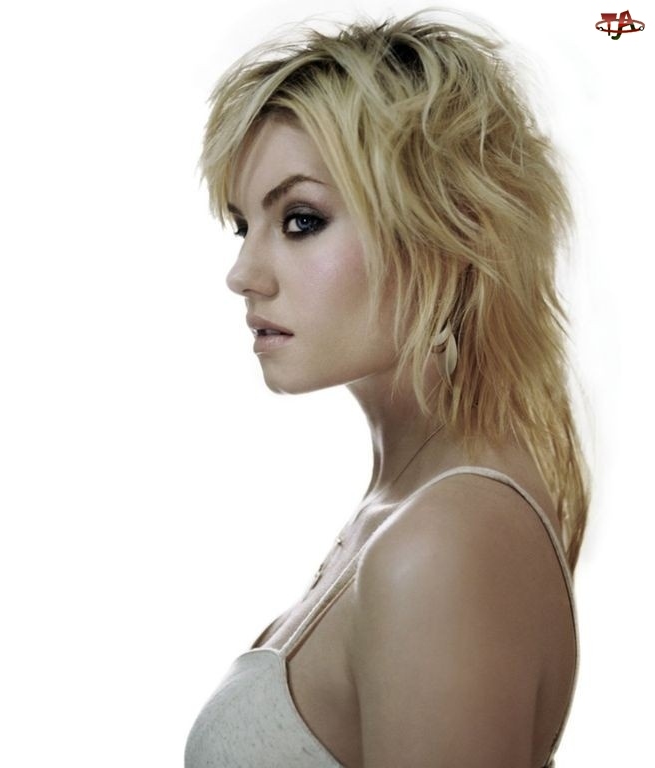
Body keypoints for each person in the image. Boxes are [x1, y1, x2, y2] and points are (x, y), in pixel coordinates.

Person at [185, 12, 587, 768]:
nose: (243, 274)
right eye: (243, 225)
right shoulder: (409, 503)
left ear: (448, 231)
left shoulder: (444, 541)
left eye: (301, 220)